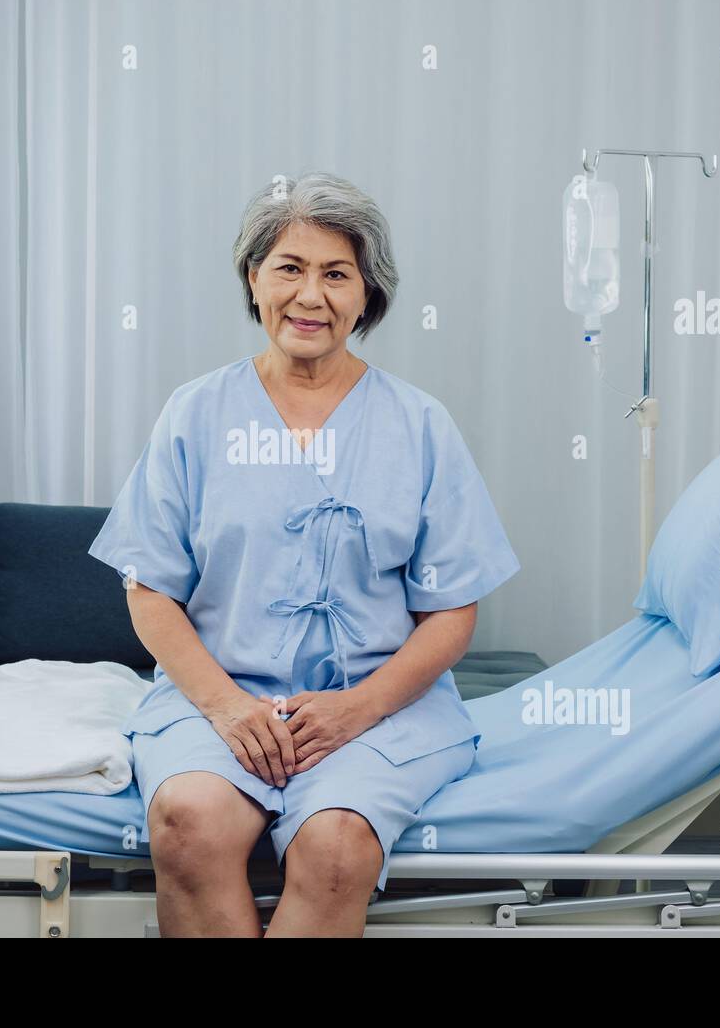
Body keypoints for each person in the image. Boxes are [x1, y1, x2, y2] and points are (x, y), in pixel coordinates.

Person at [89, 171, 519, 937]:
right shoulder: (196, 413)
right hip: (220, 694)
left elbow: (453, 612)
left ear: (366, 296)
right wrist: (226, 706)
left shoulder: (420, 425)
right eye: (289, 267)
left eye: (335, 273)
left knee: (334, 847)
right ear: (254, 279)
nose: (309, 295)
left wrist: (357, 710)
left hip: (383, 704)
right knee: (188, 822)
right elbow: (149, 589)